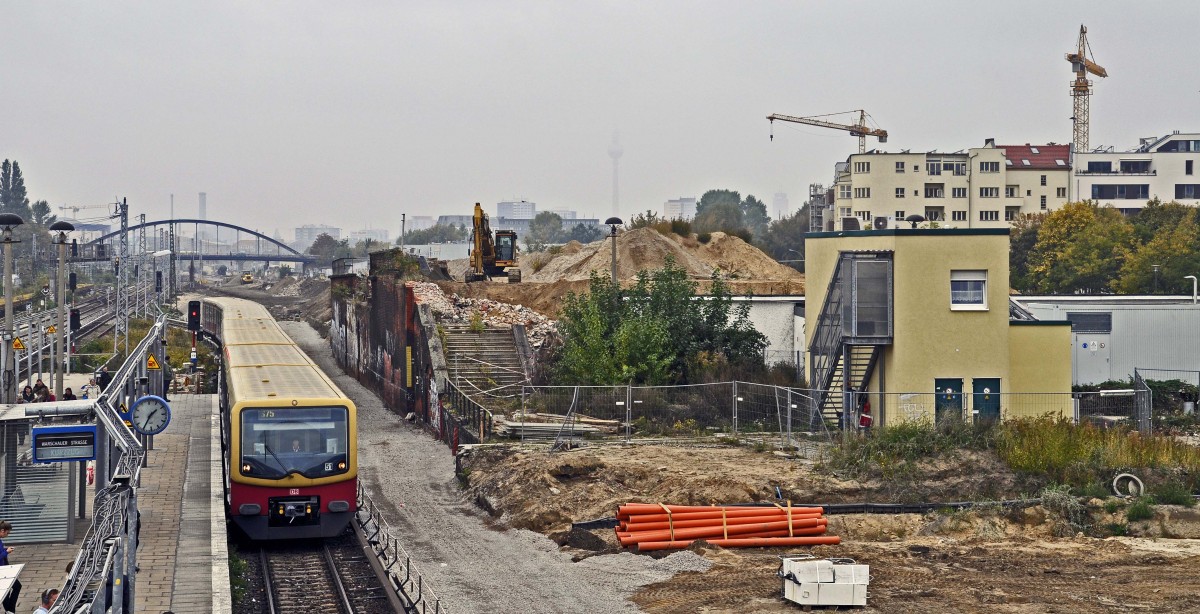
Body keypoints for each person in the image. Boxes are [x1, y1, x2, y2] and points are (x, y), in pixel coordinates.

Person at [0, 521, 21, 613]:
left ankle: (10, 610)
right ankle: (10, 610)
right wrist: (6, 552)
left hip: (4, 568)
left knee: (14, 587)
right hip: (2, 570)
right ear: (2, 530)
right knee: (8, 590)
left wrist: (5, 550)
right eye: (7, 533)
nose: (7, 535)